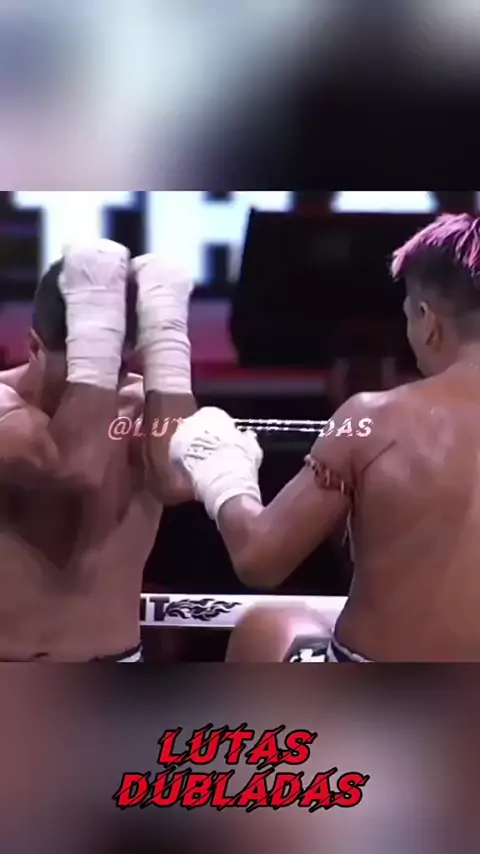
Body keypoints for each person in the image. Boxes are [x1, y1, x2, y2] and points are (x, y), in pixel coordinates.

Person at [170, 212, 480, 662]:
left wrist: (223, 470)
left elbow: (260, 559)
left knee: (268, 629)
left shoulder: (373, 420)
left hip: (378, 692)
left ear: (426, 320)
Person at [0, 240, 195, 661]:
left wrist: (168, 344)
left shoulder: (144, 405)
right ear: (34, 348)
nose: (107, 383)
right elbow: (76, 470)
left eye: (118, 366)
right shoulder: (5, 408)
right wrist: (97, 347)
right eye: (86, 366)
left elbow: (178, 481)